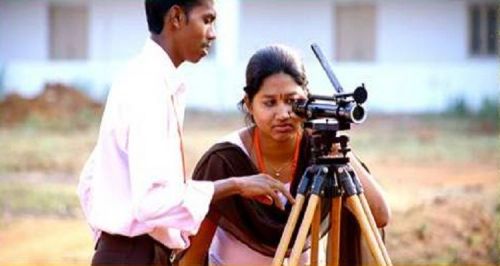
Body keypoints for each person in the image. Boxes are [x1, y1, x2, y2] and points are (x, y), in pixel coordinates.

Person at [76, 1, 294, 265]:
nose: (213, 33)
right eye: (207, 20)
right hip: (133, 255)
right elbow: (151, 202)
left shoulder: (151, 79)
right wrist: (236, 185)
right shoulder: (148, 87)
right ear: (176, 17)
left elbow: (90, 180)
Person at [179, 45, 391, 266]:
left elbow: (379, 215)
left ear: (307, 100)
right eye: (269, 103)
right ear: (249, 104)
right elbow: (191, 258)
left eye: (292, 101)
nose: (283, 114)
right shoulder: (225, 161)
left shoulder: (319, 151)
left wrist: (333, 146)